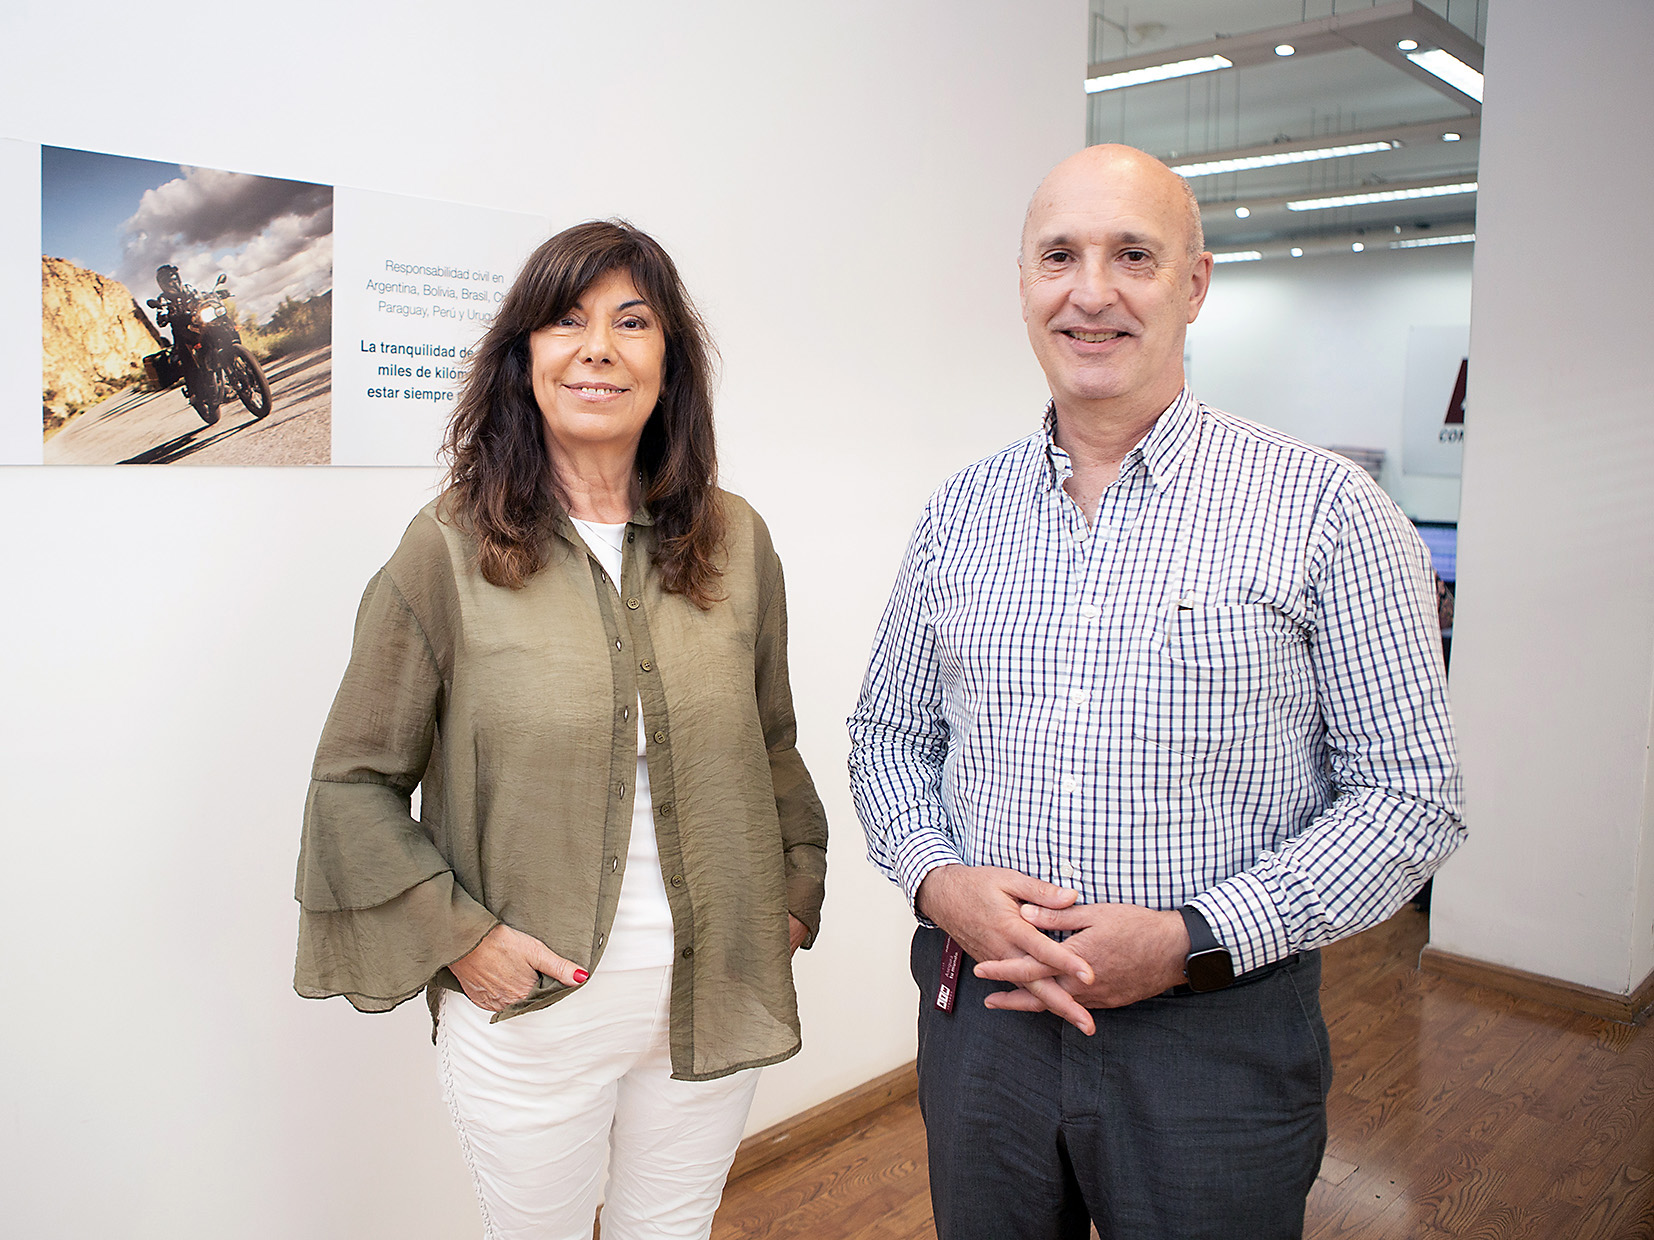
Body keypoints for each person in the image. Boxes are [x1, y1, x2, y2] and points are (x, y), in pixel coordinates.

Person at [847, 144, 1463, 1239]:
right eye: (1060, 257)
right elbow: (887, 734)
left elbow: (1410, 797)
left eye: (1133, 255)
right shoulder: (959, 514)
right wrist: (938, 881)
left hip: (1212, 1042)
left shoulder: (1326, 510)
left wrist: (1191, 936)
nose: (1091, 292)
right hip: (982, 1028)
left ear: (1195, 284)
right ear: (1024, 284)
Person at [294, 220, 828, 1240]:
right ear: (523, 357)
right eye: (566, 321)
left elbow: (771, 741)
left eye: (633, 322)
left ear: (669, 363)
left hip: (713, 987)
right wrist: (464, 940)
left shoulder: (737, 539)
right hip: (534, 1014)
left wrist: (795, 894)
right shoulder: (447, 548)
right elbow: (352, 781)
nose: (598, 349)